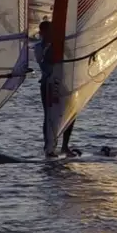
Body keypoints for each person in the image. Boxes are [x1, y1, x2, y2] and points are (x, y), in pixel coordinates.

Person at [34, 19, 78, 155]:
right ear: (41, 33)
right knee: (49, 116)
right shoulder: (38, 47)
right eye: (44, 33)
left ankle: (65, 146)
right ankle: (49, 147)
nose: (46, 35)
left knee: (71, 114)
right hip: (48, 85)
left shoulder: (61, 45)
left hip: (64, 83)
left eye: (49, 32)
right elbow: (44, 63)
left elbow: (72, 58)